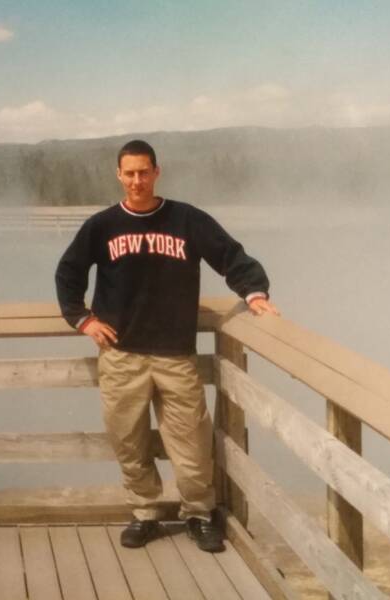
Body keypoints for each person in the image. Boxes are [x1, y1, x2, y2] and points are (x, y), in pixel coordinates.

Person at [55, 139, 279, 552]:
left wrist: (254, 292)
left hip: (175, 354)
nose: (137, 180)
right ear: (118, 175)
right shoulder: (102, 226)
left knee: (192, 440)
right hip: (121, 355)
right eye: (129, 173)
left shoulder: (186, 220)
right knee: (128, 440)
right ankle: (145, 513)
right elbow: (68, 274)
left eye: (144, 172)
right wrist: (83, 319)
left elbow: (229, 256)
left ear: (157, 172)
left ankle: (199, 514)